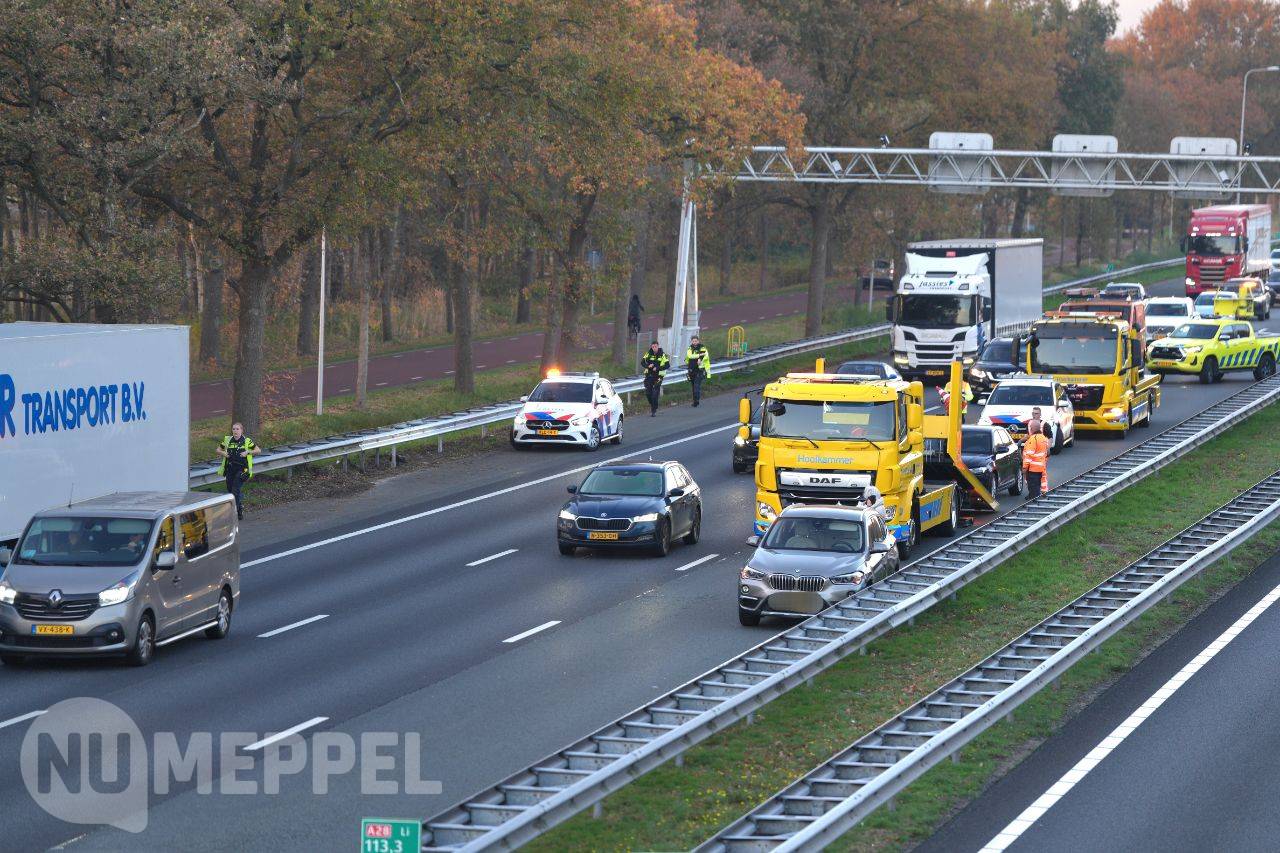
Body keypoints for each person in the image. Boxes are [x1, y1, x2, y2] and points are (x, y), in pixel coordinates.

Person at [217, 422, 258, 519]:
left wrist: (247, 452)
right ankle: (239, 509)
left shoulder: (247, 441)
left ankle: (235, 513)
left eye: (237, 429)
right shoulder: (228, 440)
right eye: (233, 429)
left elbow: (258, 450)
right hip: (230, 469)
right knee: (230, 491)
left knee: (235, 490)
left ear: (241, 430)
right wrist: (224, 454)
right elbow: (218, 450)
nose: (235, 431)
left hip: (242, 470)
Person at [1022, 420, 1052, 498]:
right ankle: (1041, 496)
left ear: (1031, 429)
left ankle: (1034, 504)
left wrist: (1024, 468)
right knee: (1038, 486)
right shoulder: (1044, 438)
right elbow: (1047, 453)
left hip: (1033, 469)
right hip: (1041, 467)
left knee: (1034, 491)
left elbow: (1028, 455)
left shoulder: (1033, 439)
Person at [641, 341, 669, 417]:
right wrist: (648, 366)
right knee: (648, 393)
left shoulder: (663, 355)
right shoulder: (648, 353)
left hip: (659, 376)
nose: (654, 348)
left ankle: (653, 410)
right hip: (649, 375)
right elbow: (642, 362)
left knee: (655, 392)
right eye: (653, 347)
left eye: (655, 346)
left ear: (658, 346)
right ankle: (653, 405)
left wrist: (658, 368)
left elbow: (667, 365)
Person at [685, 335, 712, 407]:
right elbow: (689, 356)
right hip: (691, 369)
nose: (694, 342)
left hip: (700, 370)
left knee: (697, 386)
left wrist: (700, 358)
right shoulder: (689, 348)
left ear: (698, 341)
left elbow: (706, 356)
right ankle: (695, 401)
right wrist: (699, 356)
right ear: (691, 341)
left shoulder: (702, 347)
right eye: (693, 341)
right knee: (693, 386)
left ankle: (697, 400)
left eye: (696, 341)